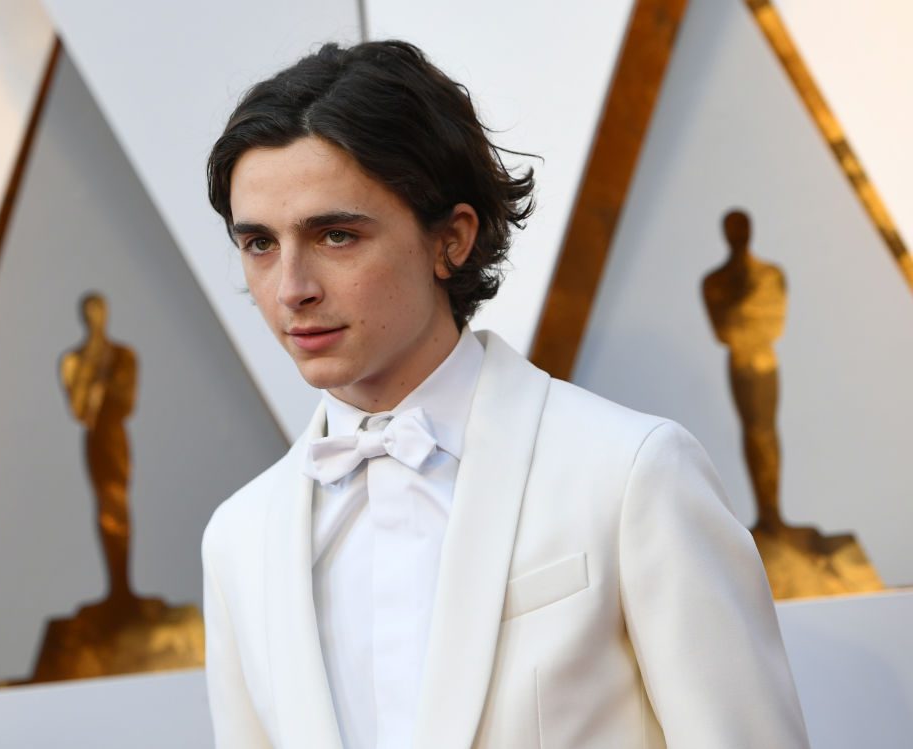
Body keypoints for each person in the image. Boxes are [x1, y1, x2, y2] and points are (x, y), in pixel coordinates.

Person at [201, 40, 809, 749]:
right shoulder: (239, 537)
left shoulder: (631, 473)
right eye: (259, 244)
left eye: (336, 235)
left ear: (452, 239)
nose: (291, 288)